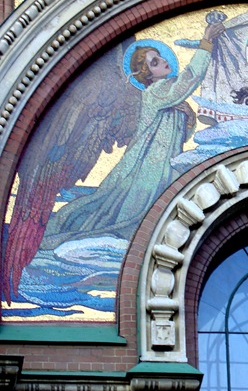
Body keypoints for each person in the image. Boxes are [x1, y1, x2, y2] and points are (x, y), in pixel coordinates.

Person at [41, 22, 225, 247]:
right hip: (148, 168)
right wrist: (206, 43)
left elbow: (180, 135)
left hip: (167, 164)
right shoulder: (155, 93)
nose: (163, 61)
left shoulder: (170, 95)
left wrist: (188, 118)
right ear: (146, 74)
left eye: (160, 57)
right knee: (134, 213)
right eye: (154, 62)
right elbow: (188, 80)